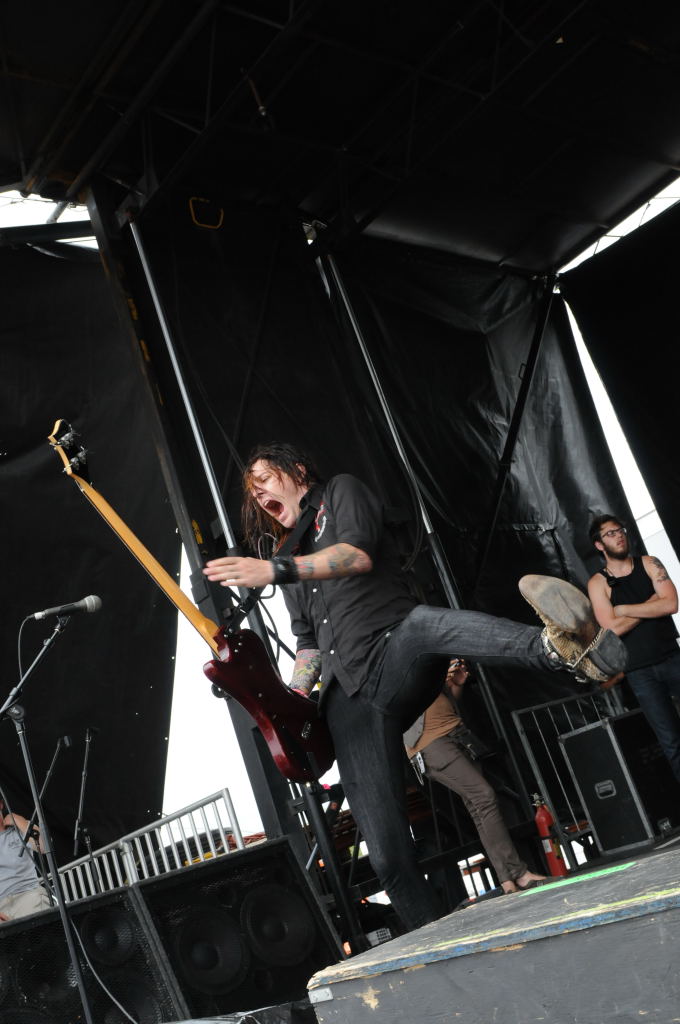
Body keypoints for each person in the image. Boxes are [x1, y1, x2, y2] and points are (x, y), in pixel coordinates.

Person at [204, 444, 626, 931]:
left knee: (424, 625)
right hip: (347, 700)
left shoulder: (339, 493)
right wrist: (296, 698)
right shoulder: (288, 551)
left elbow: (357, 554)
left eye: (265, 481)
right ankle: (435, 949)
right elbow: (308, 642)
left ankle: (562, 650)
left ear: (297, 471)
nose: (260, 496)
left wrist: (276, 571)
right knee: (388, 857)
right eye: (253, 492)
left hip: (393, 651)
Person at [404, 659, 546, 894]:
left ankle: (507, 880)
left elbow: (444, 702)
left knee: (478, 805)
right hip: (430, 744)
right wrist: (436, 677)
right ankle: (518, 873)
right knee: (483, 796)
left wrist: (456, 685)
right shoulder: (397, 665)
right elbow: (406, 697)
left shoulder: (428, 664)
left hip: (457, 734)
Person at [587, 513, 680, 782]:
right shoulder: (597, 583)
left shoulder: (649, 563)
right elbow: (611, 629)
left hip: (673, 659)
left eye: (620, 530)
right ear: (599, 545)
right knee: (672, 742)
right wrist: (651, 603)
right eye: (610, 533)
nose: (618, 536)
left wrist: (625, 609)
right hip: (640, 673)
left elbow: (671, 604)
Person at [0, 797, 52, 922]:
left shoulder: (19, 829)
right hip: (1, 907)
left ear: (0, 804)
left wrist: (19, 820)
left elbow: (46, 846)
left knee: (36, 926)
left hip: (28, 896)